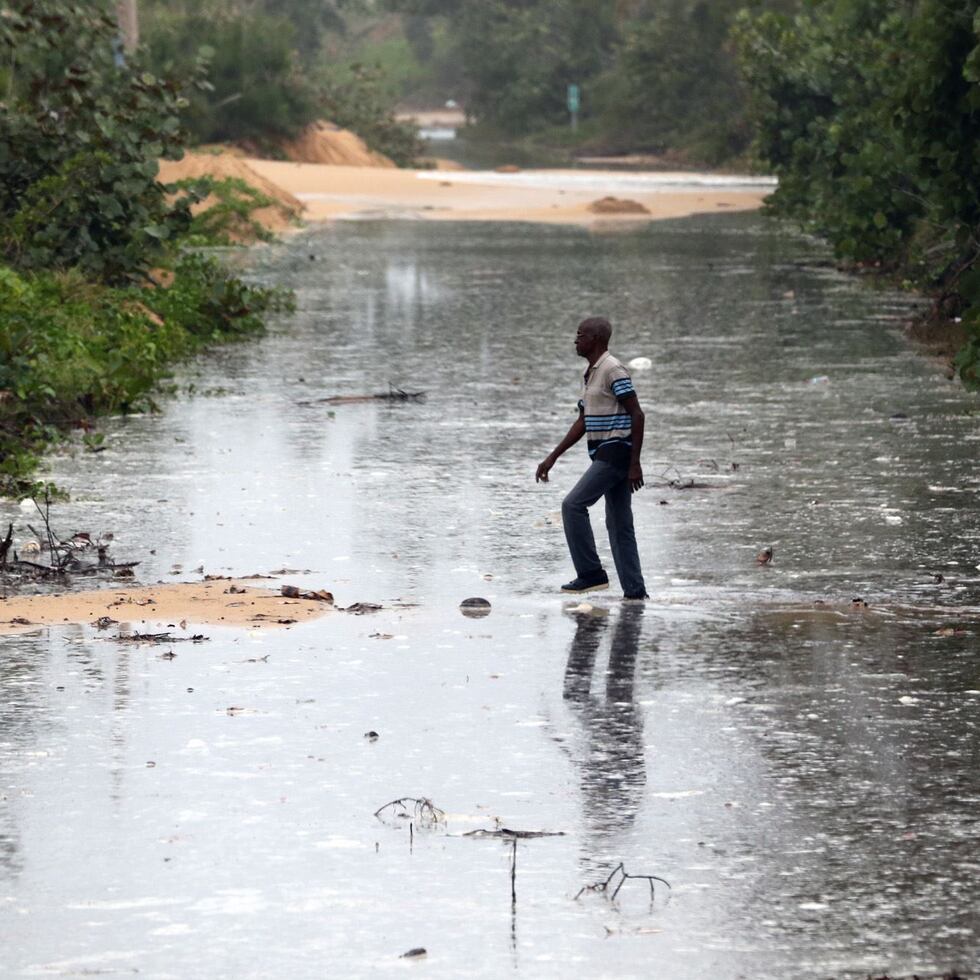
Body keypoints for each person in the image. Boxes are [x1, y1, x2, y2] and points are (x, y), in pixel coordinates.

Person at [536, 316, 648, 598]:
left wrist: (634, 463)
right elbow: (583, 421)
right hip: (606, 453)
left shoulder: (613, 370)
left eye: (580, 335)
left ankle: (591, 574)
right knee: (619, 524)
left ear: (595, 339)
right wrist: (552, 457)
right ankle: (635, 593)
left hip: (616, 452)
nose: (575, 340)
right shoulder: (591, 373)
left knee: (573, 506)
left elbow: (637, 414)